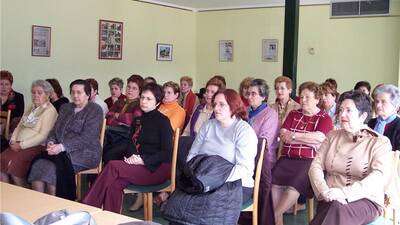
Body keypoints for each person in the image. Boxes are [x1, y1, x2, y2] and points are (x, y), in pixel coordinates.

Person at [82, 83, 173, 213]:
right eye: (142, 98)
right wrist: (131, 157)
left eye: (149, 99)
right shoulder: (138, 120)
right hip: (137, 165)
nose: (144, 101)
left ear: (157, 102)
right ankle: (111, 220)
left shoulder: (163, 122)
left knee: (112, 165)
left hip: (156, 168)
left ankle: (88, 206)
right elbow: (130, 143)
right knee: (114, 185)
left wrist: (142, 160)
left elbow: (167, 153)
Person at [309, 90, 392, 225]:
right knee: (334, 207)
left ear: (363, 115)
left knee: (336, 209)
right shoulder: (332, 136)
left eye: (348, 110)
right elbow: (315, 166)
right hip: (330, 196)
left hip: (365, 200)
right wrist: (323, 191)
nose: (342, 114)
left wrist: (344, 193)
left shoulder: (379, 142)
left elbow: (378, 177)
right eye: (341, 110)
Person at [28, 79, 103, 200]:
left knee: (52, 169)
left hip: (86, 153)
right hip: (59, 150)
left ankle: (55, 207)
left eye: (79, 92)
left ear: (88, 95)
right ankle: (39, 203)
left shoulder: (95, 110)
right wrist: (51, 142)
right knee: (39, 164)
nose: (75, 95)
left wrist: (61, 147)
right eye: (73, 92)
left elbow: (87, 137)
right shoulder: (65, 107)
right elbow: (54, 130)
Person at [271, 81, 333, 225]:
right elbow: (283, 134)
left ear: (317, 99)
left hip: (310, 161)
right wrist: (306, 138)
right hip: (288, 157)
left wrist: (294, 135)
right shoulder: (294, 113)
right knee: (274, 182)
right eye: (301, 97)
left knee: (295, 184)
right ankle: (278, 220)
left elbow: (320, 138)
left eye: (307, 97)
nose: (302, 100)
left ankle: (274, 215)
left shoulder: (324, 118)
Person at [187, 89, 258, 203]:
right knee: (182, 198)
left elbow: (244, 168)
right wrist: (193, 174)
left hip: (236, 184)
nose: (216, 108)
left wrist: (214, 178)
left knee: (202, 202)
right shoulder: (208, 125)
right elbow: (193, 153)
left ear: (233, 106)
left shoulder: (243, 130)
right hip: (205, 179)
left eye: (221, 104)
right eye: (215, 104)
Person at [0, 80, 57, 186]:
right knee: (1, 162)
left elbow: (43, 136)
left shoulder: (50, 111)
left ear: (48, 94)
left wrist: (21, 145)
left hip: (36, 146)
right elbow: (20, 125)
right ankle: (9, 195)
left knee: (14, 168)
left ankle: (23, 194)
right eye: (33, 92)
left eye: (39, 93)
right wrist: (12, 140)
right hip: (17, 144)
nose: (35, 95)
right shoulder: (31, 106)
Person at [243, 79, 279, 225]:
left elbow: (263, 143)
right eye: (248, 93)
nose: (249, 97)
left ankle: (258, 217)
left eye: (253, 94)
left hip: (262, 158)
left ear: (263, 97)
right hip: (244, 155)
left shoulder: (270, 114)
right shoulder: (245, 112)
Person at [103, 75, 143, 164]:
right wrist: (120, 120)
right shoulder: (120, 101)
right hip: (113, 135)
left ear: (140, 91)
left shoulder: (139, 104)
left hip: (127, 138)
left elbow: (133, 120)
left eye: (134, 88)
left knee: (109, 154)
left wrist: (117, 116)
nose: (130, 90)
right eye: (128, 87)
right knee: (99, 150)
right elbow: (108, 117)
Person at [368, 84, 400, 151]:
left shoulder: (398, 125)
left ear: (394, 104)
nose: (378, 105)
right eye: (377, 101)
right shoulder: (370, 123)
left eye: (383, 102)